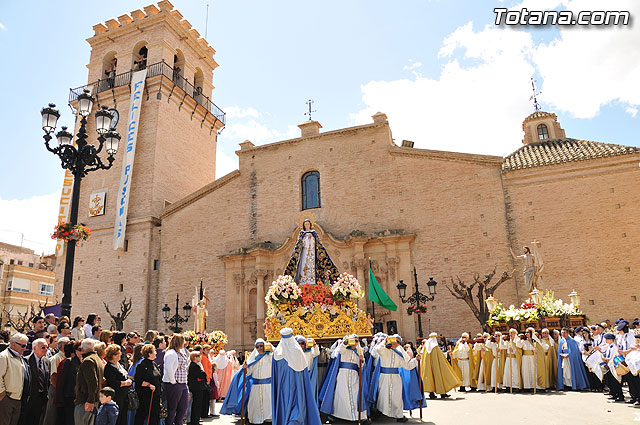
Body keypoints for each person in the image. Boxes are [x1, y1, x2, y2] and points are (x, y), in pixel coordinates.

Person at [272, 328, 321, 424]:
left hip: (286, 387)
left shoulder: (278, 352)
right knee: (297, 408)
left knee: (289, 409)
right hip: (296, 386)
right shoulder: (295, 351)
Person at [368, 334, 421, 422]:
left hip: (396, 377)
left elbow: (407, 365)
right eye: (393, 341)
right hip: (384, 377)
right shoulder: (384, 350)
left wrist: (416, 360)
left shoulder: (400, 354)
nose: (395, 343)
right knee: (383, 396)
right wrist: (385, 341)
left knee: (397, 397)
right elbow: (378, 349)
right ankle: (381, 412)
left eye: (397, 342)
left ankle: (399, 415)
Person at [221, 339, 272, 424]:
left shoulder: (270, 357)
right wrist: (245, 368)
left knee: (268, 404)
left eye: (261, 346)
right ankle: (256, 419)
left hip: (268, 386)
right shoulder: (253, 359)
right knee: (255, 405)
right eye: (257, 346)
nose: (260, 348)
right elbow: (248, 373)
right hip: (256, 386)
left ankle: (269, 419)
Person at [319, 335, 368, 423]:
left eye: (356, 341)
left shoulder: (359, 351)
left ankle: (357, 416)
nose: (354, 343)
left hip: (354, 376)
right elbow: (340, 350)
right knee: (342, 394)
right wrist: (346, 342)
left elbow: (361, 366)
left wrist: (362, 360)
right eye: (353, 341)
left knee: (355, 393)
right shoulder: (343, 349)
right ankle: (341, 415)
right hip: (343, 375)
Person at [284, 218, 340, 285]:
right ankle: (303, 280)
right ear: (304, 225)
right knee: (304, 264)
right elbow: (300, 244)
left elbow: (317, 243)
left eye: (308, 224)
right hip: (304, 252)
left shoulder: (314, 233)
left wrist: (312, 238)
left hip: (312, 252)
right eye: (305, 224)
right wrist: (306, 238)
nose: (307, 225)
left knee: (312, 265)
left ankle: (312, 280)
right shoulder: (302, 234)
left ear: (310, 225)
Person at [420, 332, 460, 399]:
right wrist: (446, 354)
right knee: (439, 377)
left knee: (431, 378)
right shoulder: (435, 346)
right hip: (436, 366)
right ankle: (442, 393)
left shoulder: (426, 347)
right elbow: (440, 356)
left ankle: (431, 394)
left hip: (428, 367)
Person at [19, 338, 50, 425]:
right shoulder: (26, 361)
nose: (46, 349)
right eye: (43, 347)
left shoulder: (47, 362)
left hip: (42, 399)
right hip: (29, 399)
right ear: (34, 348)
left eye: (47, 347)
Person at [75, 338, 105, 425]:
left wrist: (90, 400)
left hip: (86, 400)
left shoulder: (88, 361)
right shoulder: (97, 359)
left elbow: (93, 382)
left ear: (83, 349)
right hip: (93, 399)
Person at [0, 333, 28, 425]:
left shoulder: (20, 357)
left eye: (26, 346)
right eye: (23, 346)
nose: (25, 348)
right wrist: (3, 394)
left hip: (17, 399)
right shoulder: (3, 356)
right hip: (7, 398)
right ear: (14, 344)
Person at [162, 334, 188, 425]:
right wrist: (173, 381)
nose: (184, 343)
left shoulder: (181, 352)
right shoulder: (171, 353)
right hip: (174, 383)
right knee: (172, 407)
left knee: (183, 406)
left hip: (183, 382)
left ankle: (178, 423)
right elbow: (168, 367)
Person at [43, 337, 69, 425]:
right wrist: (58, 390)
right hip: (55, 389)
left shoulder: (65, 357)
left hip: (60, 389)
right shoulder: (56, 358)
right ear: (63, 346)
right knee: (51, 414)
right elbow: (53, 377)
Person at [134, 344, 162, 425]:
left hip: (155, 396)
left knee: (155, 416)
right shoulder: (142, 365)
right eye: (154, 351)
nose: (156, 353)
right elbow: (138, 380)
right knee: (142, 414)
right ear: (149, 354)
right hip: (146, 396)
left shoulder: (154, 364)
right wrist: (149, 385)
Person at [104, 345, 131, 425]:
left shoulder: (118, 365)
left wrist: (130, 379)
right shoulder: (109, 367)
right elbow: (113, 382)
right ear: (113, 355)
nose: (121, 354)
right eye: (119, 353)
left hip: (124, 395)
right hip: (116, 396)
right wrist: (125, 383)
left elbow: (126, 375)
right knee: (116, 417)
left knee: (123, 416)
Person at [296, 336, 320, 402]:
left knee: (309, 392)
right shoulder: (295, 354)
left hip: (309, 375)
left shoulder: (310, 352)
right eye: (299, 343)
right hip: (299, 375)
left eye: (302, 343)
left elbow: (317, 352)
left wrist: (314, 344)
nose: (300, 345)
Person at [187, 351, 207, 425]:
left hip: (196, 387)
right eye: (198, 356)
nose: (200, 357)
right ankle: (195, 421)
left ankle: (195, 420)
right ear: (195, 357)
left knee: (196, 404)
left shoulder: (194, 365)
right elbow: (202, 375)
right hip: (197, 387)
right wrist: (203, 373)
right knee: (197, 405)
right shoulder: (195, 366)